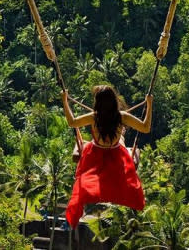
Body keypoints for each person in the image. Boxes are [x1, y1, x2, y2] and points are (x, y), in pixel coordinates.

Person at [62, 85, 152, 228]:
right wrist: (149, 103)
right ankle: (119, 134)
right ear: (114, 101)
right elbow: (146, 128)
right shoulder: (122, 116)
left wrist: (65, 101)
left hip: (95, 154)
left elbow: (72, 122)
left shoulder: (94, 117)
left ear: (97, 102)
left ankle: (117, 135)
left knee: (83, 181)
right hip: (116, 154)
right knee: (120, 140)